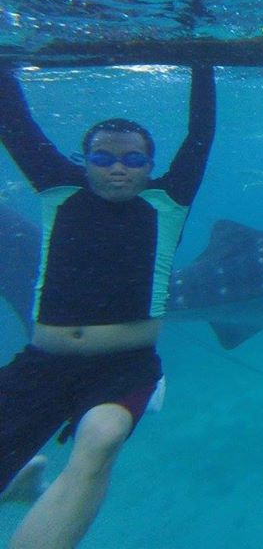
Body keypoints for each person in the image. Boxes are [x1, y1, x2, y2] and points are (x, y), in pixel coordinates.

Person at [0, 65, 216, 547]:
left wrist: (201, 61)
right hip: (44, 363)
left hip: (126, 365)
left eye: (133, 159)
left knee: (100, 439)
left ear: (149, 165)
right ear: (85, 161)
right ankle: (22, 480)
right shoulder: (60, 188)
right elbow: (14, 121)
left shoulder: (168, 202)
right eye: (103, 156)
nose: (117, 168)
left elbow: (200, 134)